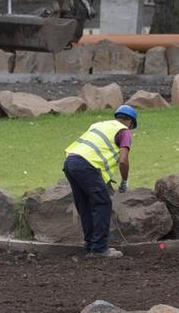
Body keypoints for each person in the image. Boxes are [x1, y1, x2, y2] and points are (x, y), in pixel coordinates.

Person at [63, 105, 137, 258]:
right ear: (129, 122)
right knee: (103, 204)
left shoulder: (99, 125)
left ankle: (90, 245)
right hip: (87, 166)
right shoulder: (124, 131)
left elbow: (96, 150)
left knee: (85, 206)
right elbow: (123, 161)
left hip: (71, 162)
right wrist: (124, 181)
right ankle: (99, 249)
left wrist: (104, 179)